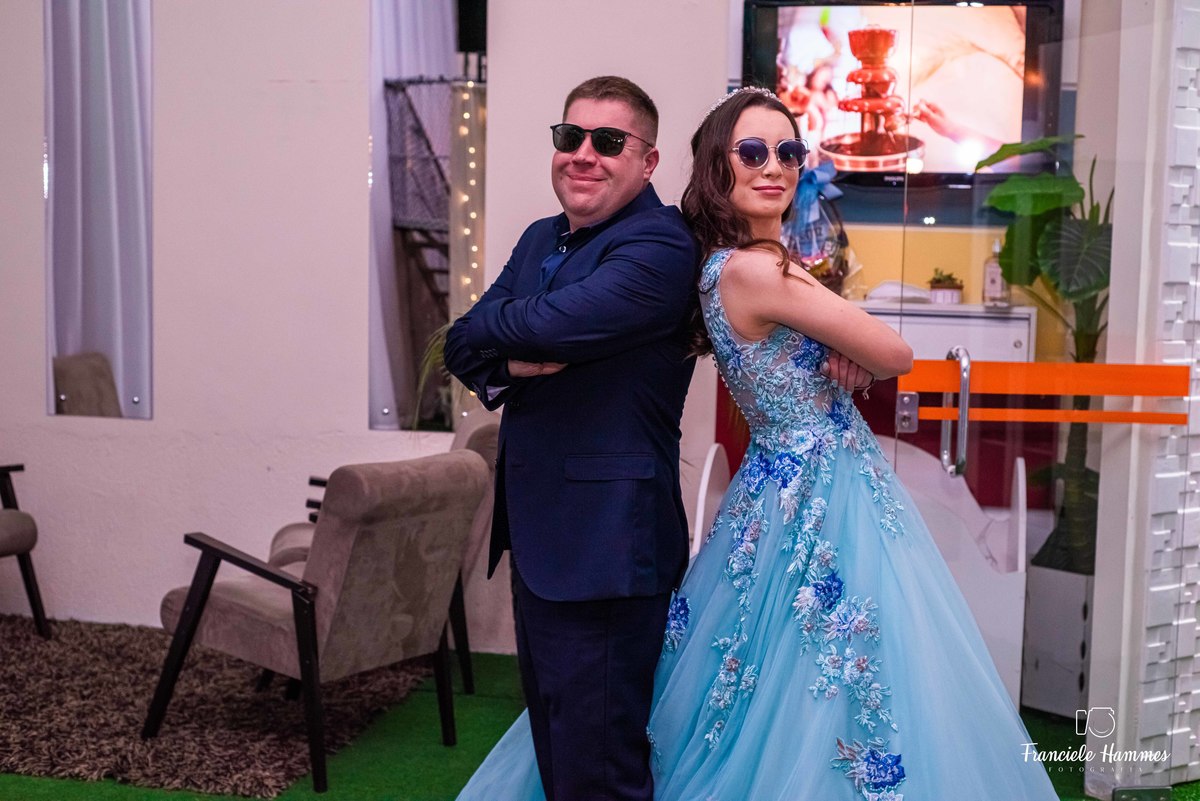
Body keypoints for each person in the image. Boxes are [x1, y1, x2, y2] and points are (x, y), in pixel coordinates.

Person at [454, 86, 1059, 801]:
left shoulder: (725, 264)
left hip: (783, 491)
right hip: (812, 488)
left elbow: (856, 348)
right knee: (816, 689)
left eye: (788, 151)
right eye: (752, 151)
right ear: (720, 165)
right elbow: (895, 352)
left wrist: (842, 348)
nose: (774, 166)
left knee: (776, 686)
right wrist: (850, 347)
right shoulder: (753, 270)